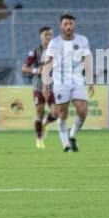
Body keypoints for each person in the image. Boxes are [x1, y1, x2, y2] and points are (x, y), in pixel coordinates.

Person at [40, 14, 92, 153]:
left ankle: (72, 135)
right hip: (60, 82)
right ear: (61, 26)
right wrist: (45, 85)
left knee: (82, 111)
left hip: (78, 81)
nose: (68, 26)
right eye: (66, 24)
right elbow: (48, 64)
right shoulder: (54, 43)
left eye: (71, 23)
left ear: (74, 25)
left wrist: (90, 80)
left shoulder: (82, 40)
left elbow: (87, 60)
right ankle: (66, 144)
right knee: (62, 114)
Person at [22, 25, 57, 149]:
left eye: (50, 35)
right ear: (41, 37)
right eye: (45, 35)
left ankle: (44, 124)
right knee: (39, 113)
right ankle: (39, 138)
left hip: (53, 86)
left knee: (55, 113)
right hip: (38, 87)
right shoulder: (35, 52)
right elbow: (24, 68)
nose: (48, 37)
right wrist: (36, 70)